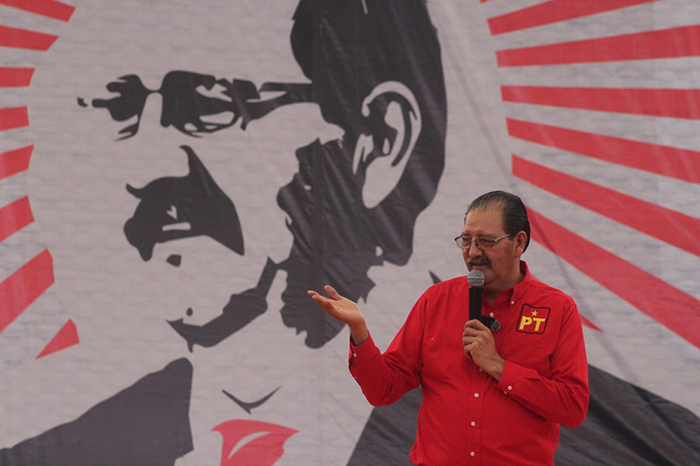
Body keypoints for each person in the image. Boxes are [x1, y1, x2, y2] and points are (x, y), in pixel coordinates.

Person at [0, 1, 447, 464]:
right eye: (118, 114)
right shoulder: (78, 447)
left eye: (207, 105)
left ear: (379, 143)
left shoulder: (475, 417)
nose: (144, 167)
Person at [309, 190, 590, 465]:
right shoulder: (436, 301)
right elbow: (383, 390)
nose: (473, 252)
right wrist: (359, 331)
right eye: (466, 241)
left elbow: (572, 408)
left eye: (486, 241)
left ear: (519, 243)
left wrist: (499, 367)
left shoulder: (557, 309)